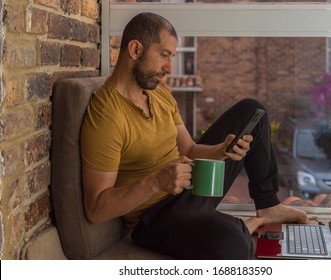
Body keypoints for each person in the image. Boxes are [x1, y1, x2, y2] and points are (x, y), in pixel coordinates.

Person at [80, 12, 308, 260]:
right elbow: (95, 209)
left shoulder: (158, 95)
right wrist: (156, 181)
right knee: (234, 245)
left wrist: (225, 148)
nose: (169, 68)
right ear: (135, 49)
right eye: (164, 56)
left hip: (191, 187)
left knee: (253, 111)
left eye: (172, 57)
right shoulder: (106, 114)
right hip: (157, 217)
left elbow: (189, 149)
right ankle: (242, 228)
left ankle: (268, 205)